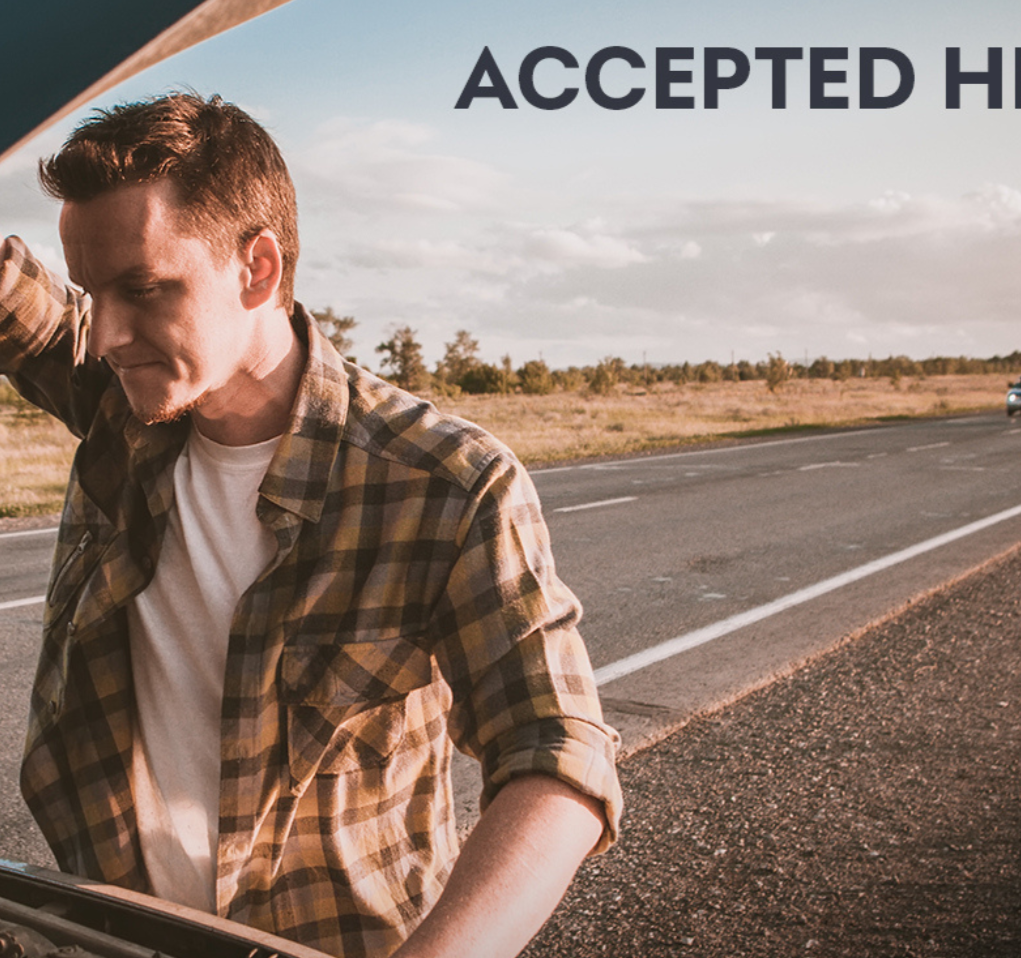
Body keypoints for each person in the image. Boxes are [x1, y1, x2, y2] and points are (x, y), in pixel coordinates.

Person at [0, 91, 621, 958]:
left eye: (141, 289)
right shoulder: (124, 402)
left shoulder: (447, 484)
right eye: (90, 293)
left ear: (258, 269)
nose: (103, 334)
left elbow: (559, 762)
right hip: (113, 937)